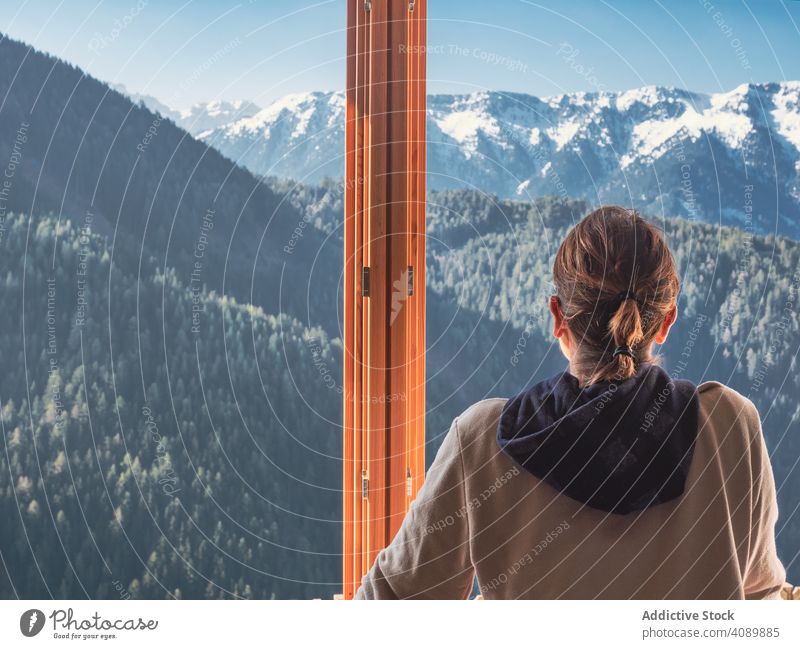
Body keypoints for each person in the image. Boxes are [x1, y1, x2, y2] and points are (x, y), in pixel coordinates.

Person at [355, 206, 786, 599]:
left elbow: (391, 605)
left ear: (558, 316)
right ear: (667, 321)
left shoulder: (483, 440)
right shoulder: (729, 424)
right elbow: (761, 596)